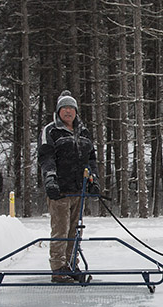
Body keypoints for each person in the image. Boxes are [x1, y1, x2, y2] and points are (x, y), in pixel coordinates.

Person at [37, 90, 99, 282]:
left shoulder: (84, 132)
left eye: (71, 108)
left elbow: (91, 159)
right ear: (58, 111)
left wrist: (93, 180)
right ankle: (58, 268)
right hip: (60, 190)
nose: (68, 111)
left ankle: (73, 264)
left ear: (76, 111)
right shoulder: (51, 131)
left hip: (78, 190)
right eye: (64, 108)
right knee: (60, 230)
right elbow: (46, 157)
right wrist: (50, 179)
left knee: (75, 229)